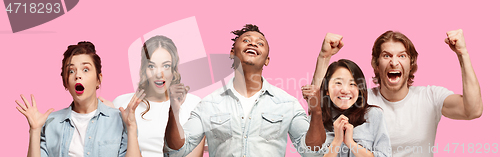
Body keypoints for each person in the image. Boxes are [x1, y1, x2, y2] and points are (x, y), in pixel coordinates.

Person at [312, 29, 483, 156]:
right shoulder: (361, 99)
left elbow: (472, 110)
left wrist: (463, 54)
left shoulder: (430, 97)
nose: (394, 62)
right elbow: (318, 108)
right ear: (376, 63)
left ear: (411, 63)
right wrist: (324, 57)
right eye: (386, 56)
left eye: (402, 56)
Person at [163, 24, 322, 157]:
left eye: (260, 43)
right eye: (246, 40)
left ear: (267, 60)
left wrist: (317, 112)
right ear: (232, 53)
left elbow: (312, 151)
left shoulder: (287, 103)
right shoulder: (209, 104)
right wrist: (174, 112)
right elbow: (177, 150)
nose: (253, 44)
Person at [15, 42, 144, 157]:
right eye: (71, 71)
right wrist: (35, 130)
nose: (77, 75)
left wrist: (131, 127)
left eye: (85, 69)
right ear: (65, 83)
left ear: (98, 79)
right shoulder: (50, 123)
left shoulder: (121, 120)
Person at [111, 35, 205, 157]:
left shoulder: (194, 104)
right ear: (144, 69)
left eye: (166, 66)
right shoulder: (122, 104)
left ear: (174, 69)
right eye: (151, 66)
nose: (159, 74)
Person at [302, 33, 391, 157]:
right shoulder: (318, 118)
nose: (345, 90)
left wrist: (351, 143)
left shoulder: (373, 115)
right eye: (338, 83)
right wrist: (337, 141)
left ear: (360, 89)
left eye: (352, 84)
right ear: (327, 89)